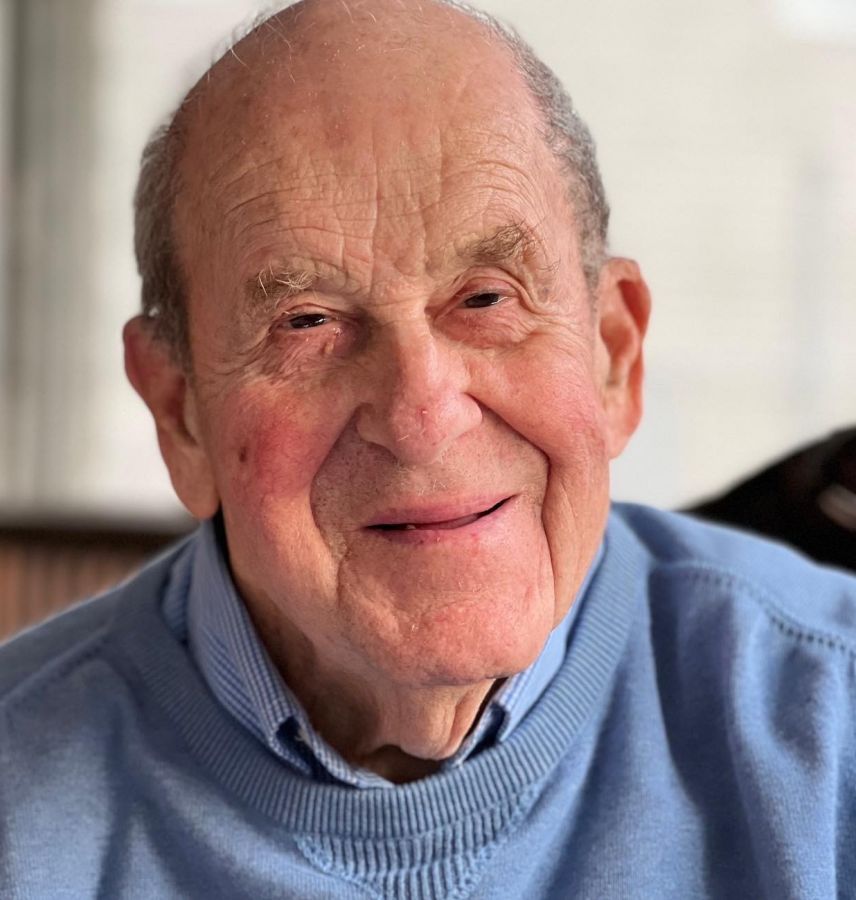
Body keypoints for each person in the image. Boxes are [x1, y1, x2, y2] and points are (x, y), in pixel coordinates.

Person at [2, 1, 855, 897]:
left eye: (486, 299)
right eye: (307, 323)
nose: (421, 418)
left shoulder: (832, 732)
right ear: (179, 413)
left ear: (613, 355)